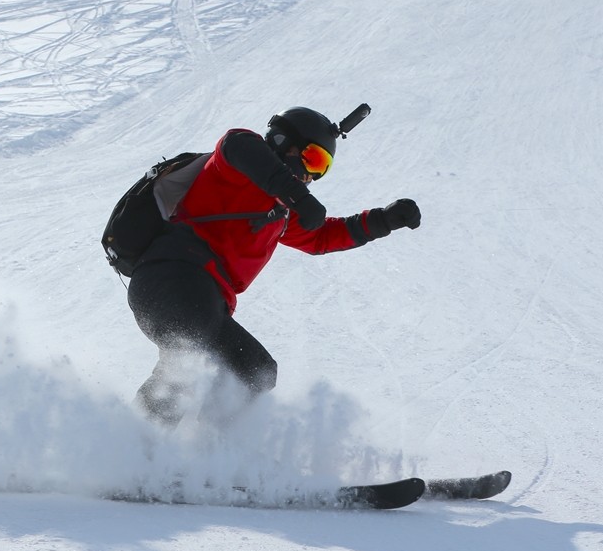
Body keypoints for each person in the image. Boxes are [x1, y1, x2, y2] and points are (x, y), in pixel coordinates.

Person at [127, 106, 422, 427]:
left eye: (323, 167)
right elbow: (239, 147)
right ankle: (206, 460)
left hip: (185, 300)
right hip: (175, 281)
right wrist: (298, 196)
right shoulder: (236, 161)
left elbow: (321, 237)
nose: (313, 175)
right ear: (284, 142)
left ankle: (131, 453)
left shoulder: (279, 213)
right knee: (251, 368)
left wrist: (384, 220)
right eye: (313, 158)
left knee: (185, 371)